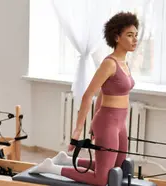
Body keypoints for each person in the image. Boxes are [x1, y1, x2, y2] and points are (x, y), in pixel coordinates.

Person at [30, 12, 138, 186]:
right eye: (130, 35)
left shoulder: (124, 64)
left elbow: (104, 92)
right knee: (103, 179)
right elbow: (89, 95)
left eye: (136, 35)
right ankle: (51, 168)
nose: (135, 40)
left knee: (117, 169)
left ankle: (65, 160)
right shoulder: (109, 63)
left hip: (120, 123)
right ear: (117, 37)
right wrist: (78, 130)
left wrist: (96, 118)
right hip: (108, 122)